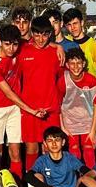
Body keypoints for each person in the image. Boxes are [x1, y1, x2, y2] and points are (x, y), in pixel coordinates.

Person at [14, 16, 65, 174]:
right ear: (31, 33)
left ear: (50, 34)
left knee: (51, 148)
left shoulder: (56, 53)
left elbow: (62, 82)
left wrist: (56, 104)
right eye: (37, 35)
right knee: (31, 148)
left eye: (45, 35)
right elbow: (14, 78)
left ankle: (53, 181)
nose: (41, 39)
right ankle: (32, 185)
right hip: (30, 110)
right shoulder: (22, 51)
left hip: (51, 110)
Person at [0, 27, 32, 174]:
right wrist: (30, 110)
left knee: (15, 151)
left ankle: (18, 186)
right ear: (0, 41)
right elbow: (8, 93)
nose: (11, 49)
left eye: (15, 44)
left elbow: (37, 42)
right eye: (7, 44)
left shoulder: (20, 49)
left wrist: (58, 46)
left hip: (14, 108)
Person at [59, 48, 96, 167]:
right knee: (74, 150)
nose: (75, 66)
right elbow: (58, 105)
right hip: (70, 124)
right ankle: (77, 179)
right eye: (72, 63)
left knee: (89, 149)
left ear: (84, 64)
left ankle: (91, 180)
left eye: (78, 63)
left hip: (88, 123)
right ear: (67, 65)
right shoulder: (63, 80)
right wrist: (63, 127)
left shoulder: (91, 80)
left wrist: (93, 130)